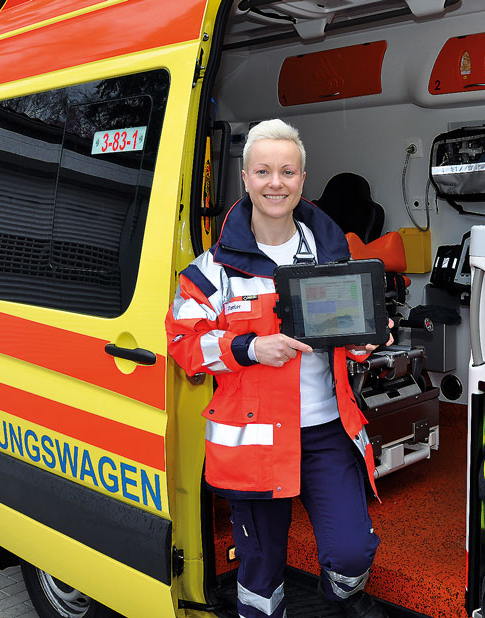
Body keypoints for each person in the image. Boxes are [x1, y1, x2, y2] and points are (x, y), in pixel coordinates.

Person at [165, 119, 390, 618]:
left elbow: (345, 345)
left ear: (302, 179)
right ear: (245, 178)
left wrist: (367, 341)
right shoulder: (208, 273)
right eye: (263, 171)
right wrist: (249, 348)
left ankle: (339, 602)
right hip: (254, 445)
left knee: (352, 553)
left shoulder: (333, 259)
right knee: (260, 574)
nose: (275, 182)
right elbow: (182, 345)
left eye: (287, 171)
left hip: (326, 432)